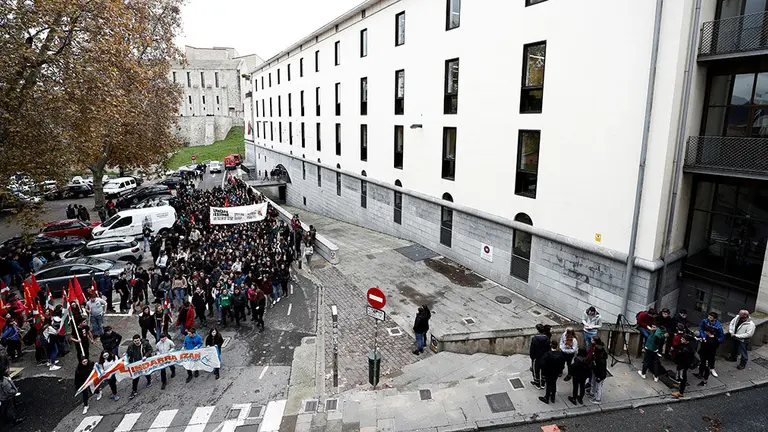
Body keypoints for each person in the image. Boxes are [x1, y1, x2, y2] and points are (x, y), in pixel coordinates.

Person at [696, 312, 724, 381]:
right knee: (702, 355)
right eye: (708, 316)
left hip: (712, 344)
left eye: (711, 317)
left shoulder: (718, 326)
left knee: (711, 356)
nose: (708, 318)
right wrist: (703, 336)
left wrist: (714, 338)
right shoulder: (705, 321)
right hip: (705, 341)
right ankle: (701, 369)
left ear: (715, 319)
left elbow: (721, 337)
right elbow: (701, 328)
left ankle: (711, 368)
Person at [538, 340, 566, 404]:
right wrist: (559, 371)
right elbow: (562, 365)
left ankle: (547, 397)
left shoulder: (547, 355)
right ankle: (553, 397)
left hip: (548, 372)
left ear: (550, 345)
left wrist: (544, 371)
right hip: (556, 372)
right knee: (554, 383)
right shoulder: (560, 355)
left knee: (548, 384)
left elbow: (542, 364)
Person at [126, 334, 153, 399]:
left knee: (146, 373)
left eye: (137, 340)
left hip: (143, 362)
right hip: (135, 364)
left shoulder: (145, 344)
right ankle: (134, 390)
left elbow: (150, 350)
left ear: (140, 339)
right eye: (135, 341)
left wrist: (145, 356)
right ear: (133, 341)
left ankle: (149, 380)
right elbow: (128, 353)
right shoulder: (131, 346)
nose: (136, 342)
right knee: (135, 377)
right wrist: (126, 354)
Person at [529, 324, 550, 389]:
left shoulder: (534, 339)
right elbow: (548, 349)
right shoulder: (547, 338)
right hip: (544, 357)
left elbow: (532, 349)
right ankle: (543, 383)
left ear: (538, 330)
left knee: (536, 370)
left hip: (536, 357)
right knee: (544, 370)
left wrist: (532, 357)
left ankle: (537, 384)